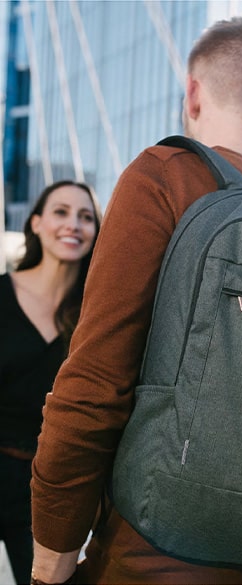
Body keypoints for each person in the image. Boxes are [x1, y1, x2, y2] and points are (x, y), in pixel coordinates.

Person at [30, 17, 242, 585]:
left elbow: (95, 381)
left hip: (152, 559)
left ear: (191, 93)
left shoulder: (164, 176)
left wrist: (53, 547)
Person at [0, 180, 101, 585]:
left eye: (86, 216)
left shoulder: (95, 314)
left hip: (49, 489)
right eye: (61, 212)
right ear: (37, 223)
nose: (73, 224)